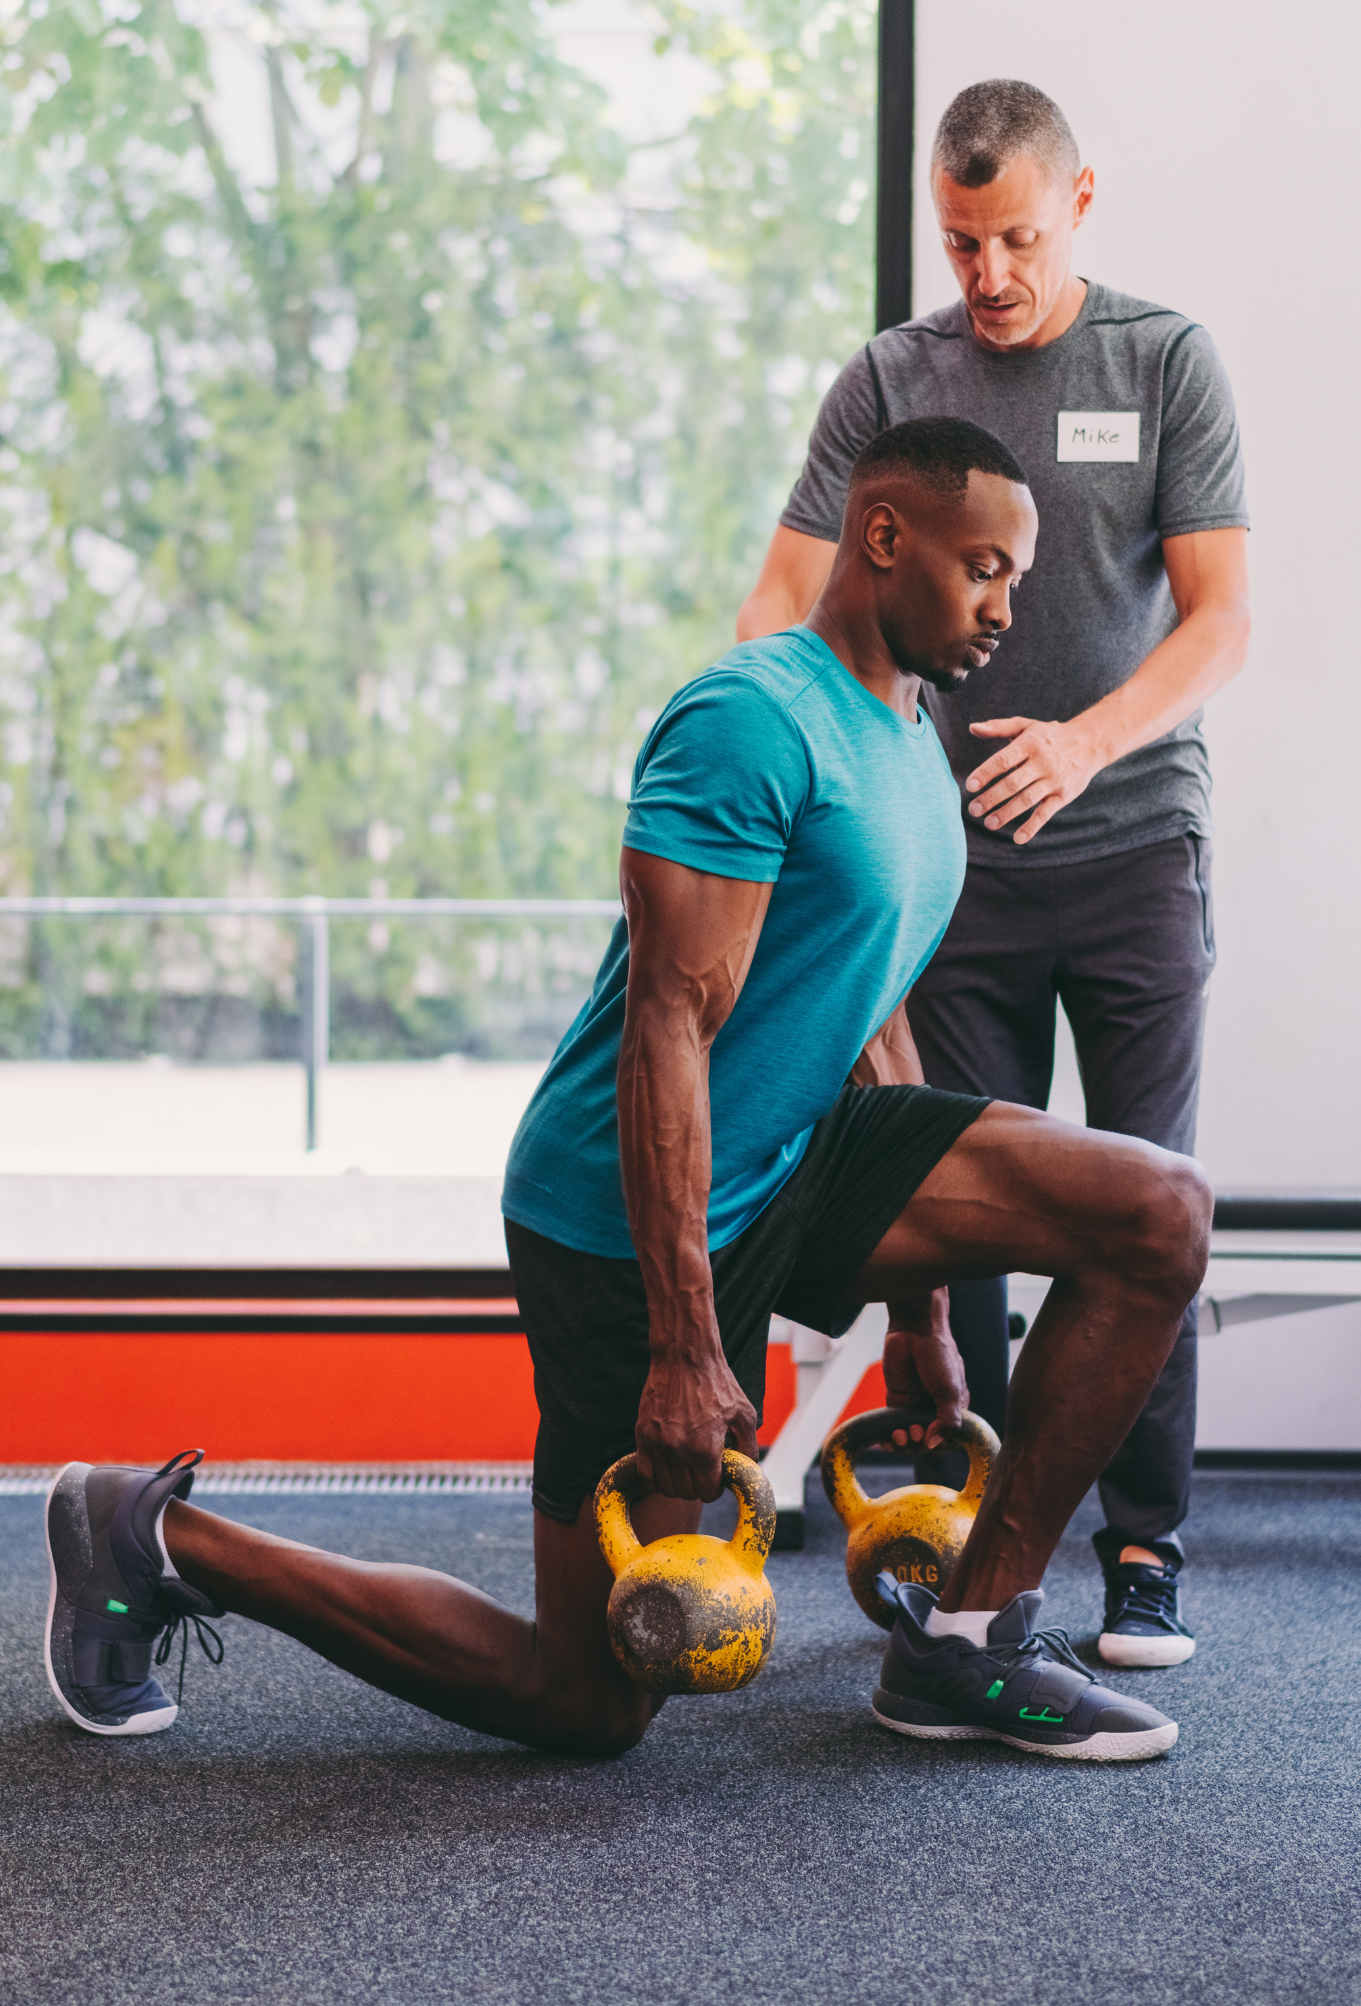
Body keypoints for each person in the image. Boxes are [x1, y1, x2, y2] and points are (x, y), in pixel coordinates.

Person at [44, 419, 1212, 1765]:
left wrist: (920, 1309)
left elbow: (866, 984)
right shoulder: (747, 722)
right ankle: (152, 1530)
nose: (1011, 606)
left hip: (802, 1154)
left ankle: (970, 1644)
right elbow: (668, 1023)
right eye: (987, 569)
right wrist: (682, 1340)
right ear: (884, 537)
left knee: (1156, 1213)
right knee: (587, 1701)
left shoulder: (904, 718)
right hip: (625, 1212)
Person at [737, 80, 1250, 1670]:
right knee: (959, 1212)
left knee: (1144, 1188)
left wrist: (1087, 746)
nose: (991, 270)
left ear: (1078, 205)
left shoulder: (1161, 362)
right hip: (948, 872)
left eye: (1017, 235)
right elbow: (780, 594)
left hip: (1131, 850)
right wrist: (779, 751)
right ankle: (975, 1544)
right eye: (964, 241)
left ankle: (1145, 1551)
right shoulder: (896, 377)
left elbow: (1221, 620)